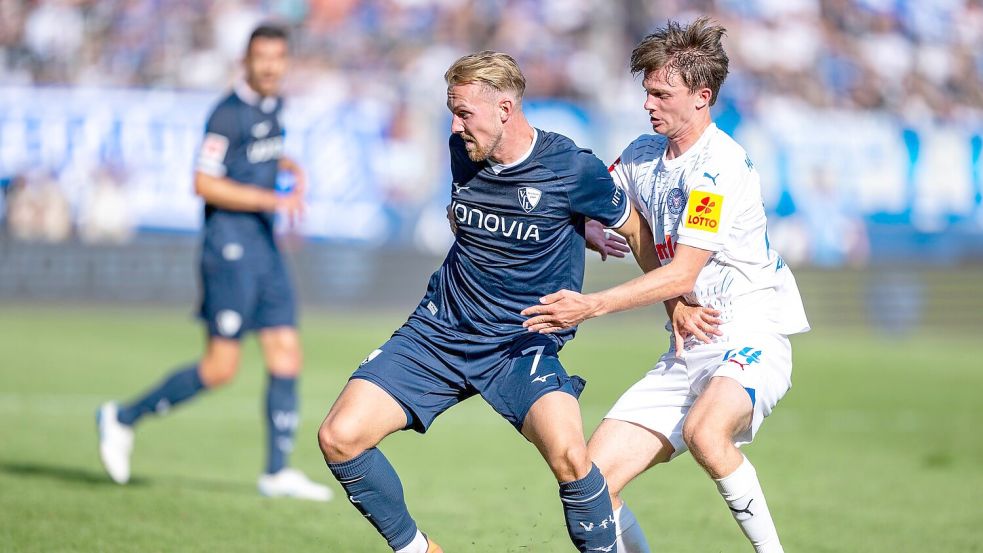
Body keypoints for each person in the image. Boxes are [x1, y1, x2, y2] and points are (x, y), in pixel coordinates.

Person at [316, 51, 657, 553]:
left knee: (571, 459)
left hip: (521, 342)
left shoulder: (573, 168)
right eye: (452, 111)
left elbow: (639, 235)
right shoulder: (465, 149)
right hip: (439, 331)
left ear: (505, 107)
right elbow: (485, 217)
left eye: (464, 112)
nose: (455, 124)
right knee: (340, 437)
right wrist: (578, 230)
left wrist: (680, 299)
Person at [522, 18, 810, 553]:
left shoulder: (718, 168)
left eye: (661, 93)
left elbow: (682, 271)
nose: (649, 103)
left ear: (702, 97)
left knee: (707, 432)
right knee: (591, 488)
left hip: (749, 331)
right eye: (646, 91)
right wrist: (588, 227)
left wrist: (590, 306)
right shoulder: (640, 155)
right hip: (688, 344)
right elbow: (607, 209)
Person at [96, 24, 332, 502]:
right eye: (261, 57)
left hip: (264, 245)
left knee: (286, 351)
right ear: (245, 61)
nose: (269, 65)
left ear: (286, 62)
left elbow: (261, 154)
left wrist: (289, 167)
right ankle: (123, 418)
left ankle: (277, 471)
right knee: (221, 367)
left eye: (277, 57)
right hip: (229, 247)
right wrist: (271, 198)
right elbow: (203, 183)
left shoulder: (274, 106)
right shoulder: (225, 114)